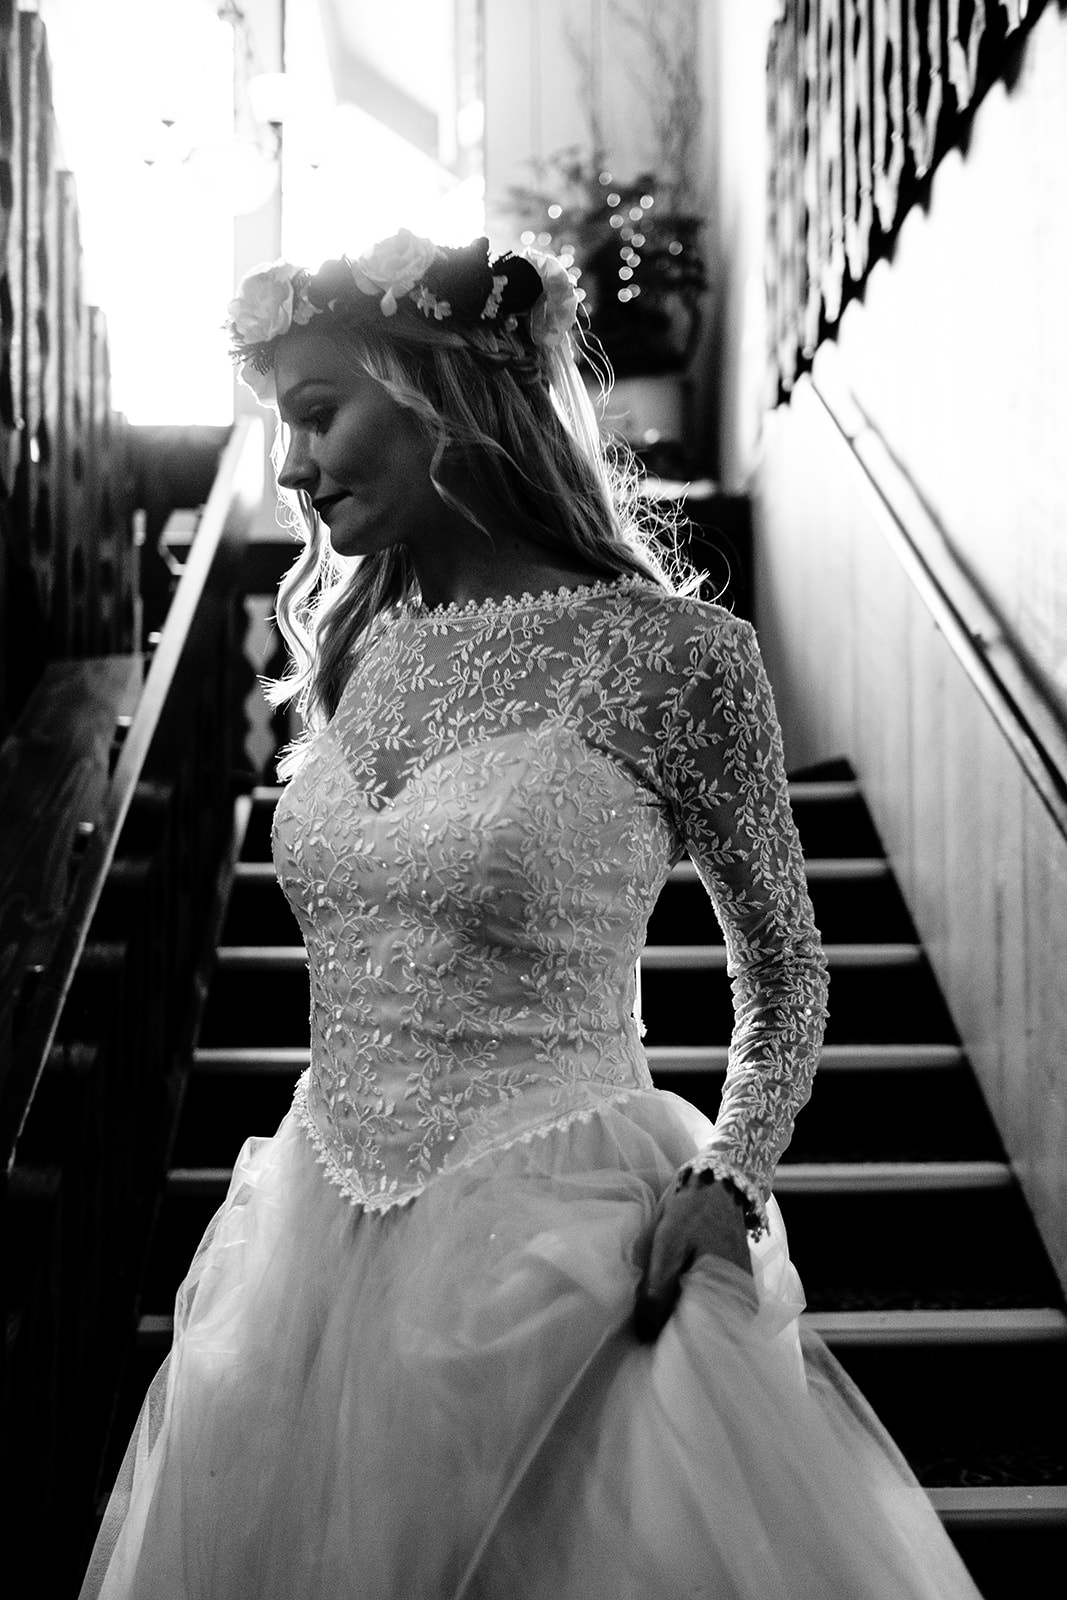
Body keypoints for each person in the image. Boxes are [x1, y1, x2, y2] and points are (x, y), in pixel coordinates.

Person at [81, 230, 982, 1599]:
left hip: (564, 1248)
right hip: (314, 1250)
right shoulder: (366, 652)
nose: (291, 467)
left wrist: (733, 1175)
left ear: (439, 391)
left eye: (318, 413)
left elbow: (787, 968)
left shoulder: (681, 660)